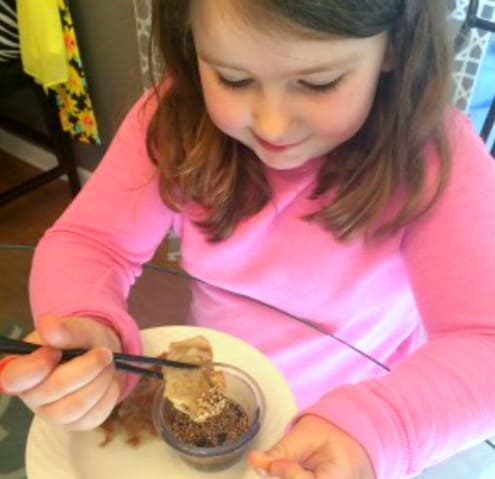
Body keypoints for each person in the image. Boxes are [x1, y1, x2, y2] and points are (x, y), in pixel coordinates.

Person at [1, 0, 494, 477]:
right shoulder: (174, 120)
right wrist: (86, 321)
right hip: (220, 399)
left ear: (394, 46)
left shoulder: (432, 156)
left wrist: (380, 428)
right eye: (233, 79)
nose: (272, 124)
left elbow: (484, 342)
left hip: (351, 435)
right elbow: (92, 241)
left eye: (319, 83)